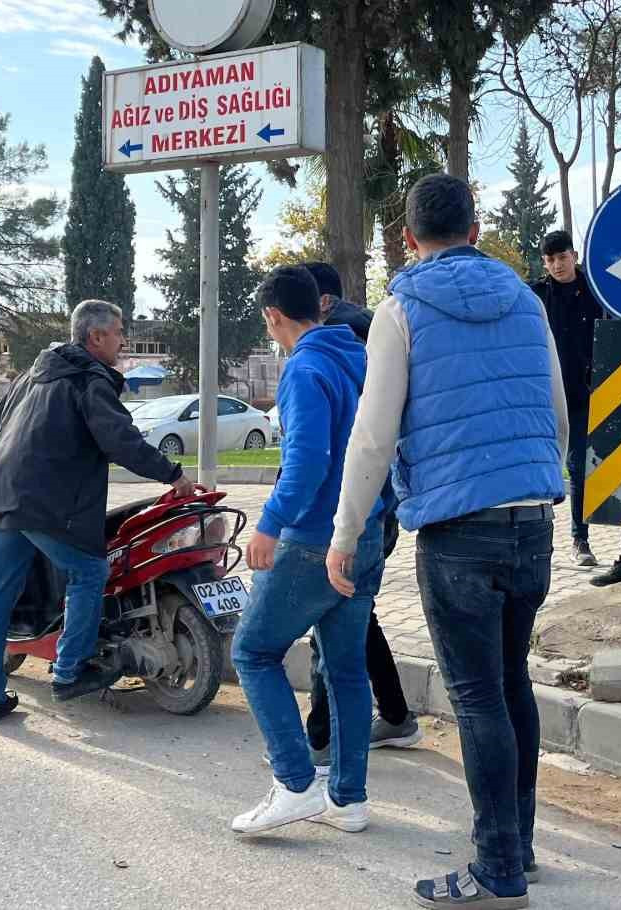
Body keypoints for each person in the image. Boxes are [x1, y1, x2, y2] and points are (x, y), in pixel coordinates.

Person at [329, 174, 570, 909]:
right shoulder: (528, 301)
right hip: (534, 521)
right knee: (511, 684)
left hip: (459, 532)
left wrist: (346, 533)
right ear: (474, 228)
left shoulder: (400, 311)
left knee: (477, 699)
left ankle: (496, 870)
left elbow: (373, 437)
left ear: (408, 239)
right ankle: (518, 847)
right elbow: (557, 411)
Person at [0, 300, 193, 725]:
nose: (124, 341)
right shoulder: (89, 378)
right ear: (96, 337)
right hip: (46, 505)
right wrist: (173, 474)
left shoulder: (33, 374)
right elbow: (120, 440)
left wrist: (9, 469)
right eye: (119, 332)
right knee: (89, 572)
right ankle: (69, 671)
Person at [230, 266, 389, 837]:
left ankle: (295, 783)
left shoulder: (304, 369)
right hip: (364, 531)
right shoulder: (361, 360)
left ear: (274, 317)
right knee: (347, 669)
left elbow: (306, 465)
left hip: (312, 540)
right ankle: (348, 800)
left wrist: (268, 527)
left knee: (252, 652)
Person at [299, 260, 422, 764]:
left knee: (329, 619)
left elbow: (341, 439)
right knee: (355, 612)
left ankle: (321, 739)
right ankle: (395, 716)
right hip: (382, 498)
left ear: (321, 302)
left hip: (352, 503)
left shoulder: (334, 340)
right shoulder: (373, 329)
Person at [530, 231, 605, 569]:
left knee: (577, 468)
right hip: (543, 396)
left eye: (562, 257)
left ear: (573, 256)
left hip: (583, 394)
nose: (557, 265)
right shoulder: (536, 296)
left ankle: (581, 539)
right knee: (538, 468)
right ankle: (537, 539)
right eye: (550, 260)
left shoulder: (597, 292)